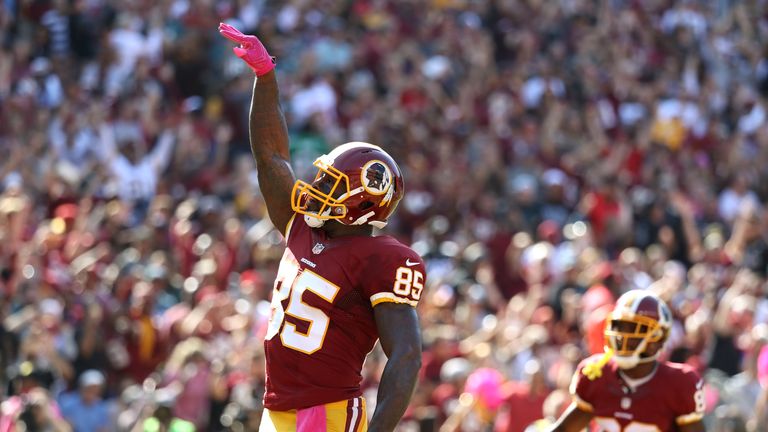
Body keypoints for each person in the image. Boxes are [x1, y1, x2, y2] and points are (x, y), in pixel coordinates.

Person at [218, 23, 425, 432]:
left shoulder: (382, 258)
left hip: (328, 413)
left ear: (364, 202)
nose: (317, 187)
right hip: (276, 409)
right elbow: (271, 157)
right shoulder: (301, 228)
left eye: (332, 183)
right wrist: (265, 77)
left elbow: (406, 356)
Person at [548, 290, 705, 432]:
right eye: (620, 327)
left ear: (657, 339)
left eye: (634, 328)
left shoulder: (680, 383)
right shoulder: (597, 373)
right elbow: (563, 429)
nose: (623, 336)